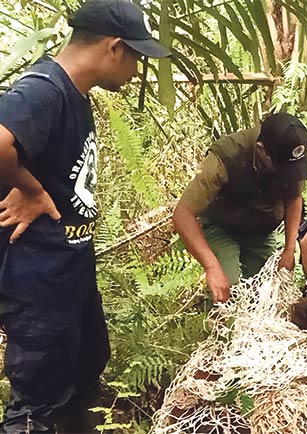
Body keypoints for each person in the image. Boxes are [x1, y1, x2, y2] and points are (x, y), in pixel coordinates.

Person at [0, 0, 170, 432]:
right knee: (37, 406)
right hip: (37, 278)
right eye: (136, 57)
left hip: (68, 271)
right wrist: (31, 190)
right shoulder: (45, 89)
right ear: (114, 48)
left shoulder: (74, 94)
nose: (135, 72)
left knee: (83, 374)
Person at [172, 113, 307, 303]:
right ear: (261, 150)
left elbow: (294, 197)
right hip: (221, 226)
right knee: (228, 289)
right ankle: (219, 323)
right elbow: (182, 214)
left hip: (260, 230)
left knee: (265, 293)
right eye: (280, 168)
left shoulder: (290, 158)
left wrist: (289, 250)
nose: (288, 174)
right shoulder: (225, 157)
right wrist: (212, 267)